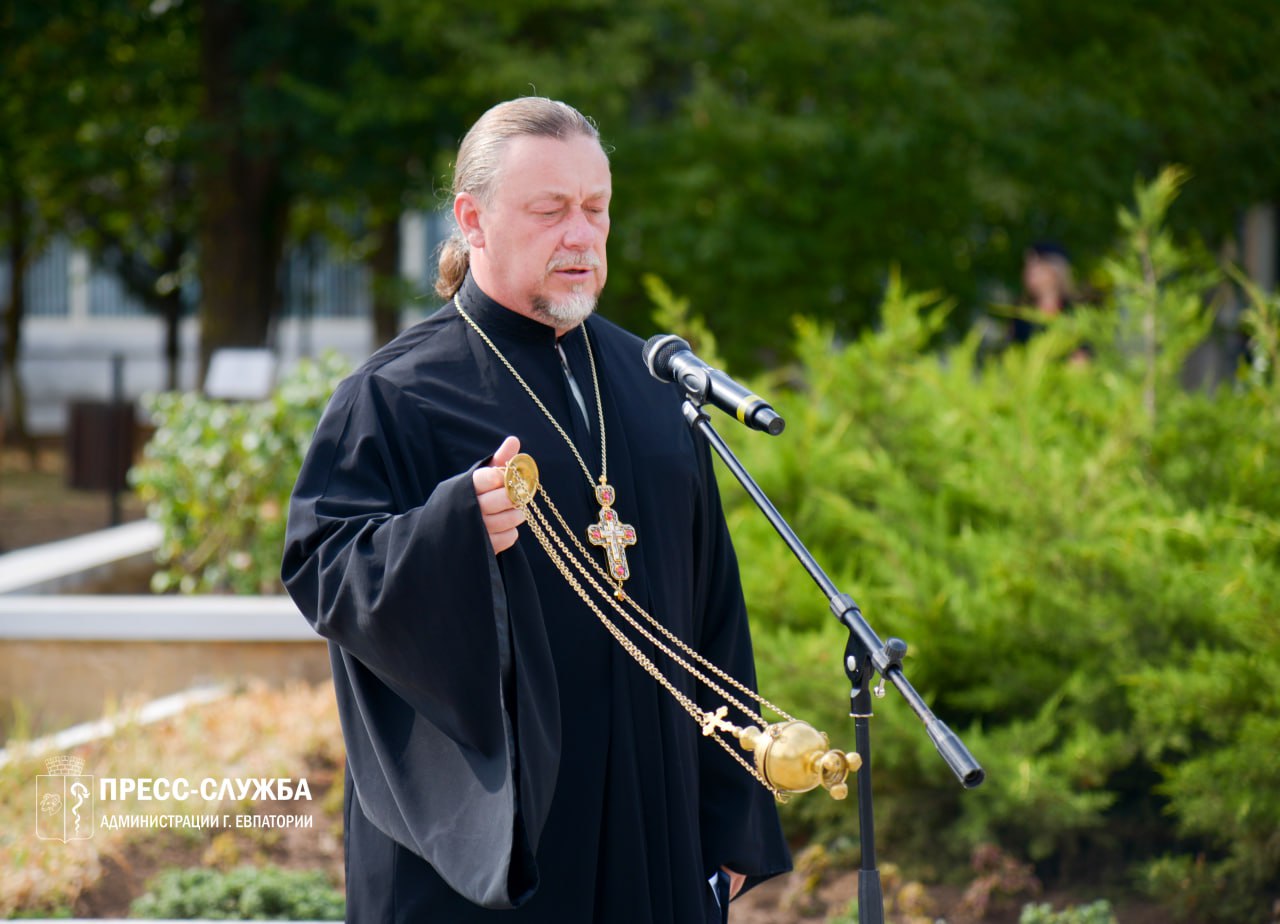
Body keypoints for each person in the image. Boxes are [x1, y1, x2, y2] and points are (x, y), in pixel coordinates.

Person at [281, 97, 791, 923]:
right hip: (489, 843)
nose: (581, 236)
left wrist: (733, 817)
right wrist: (452, 529)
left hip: (650, 823)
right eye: (550, 211)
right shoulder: (394, 395)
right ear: (472, 220)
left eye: (596, 210)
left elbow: (714, 616)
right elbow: (323, 572)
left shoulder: (654, 385)